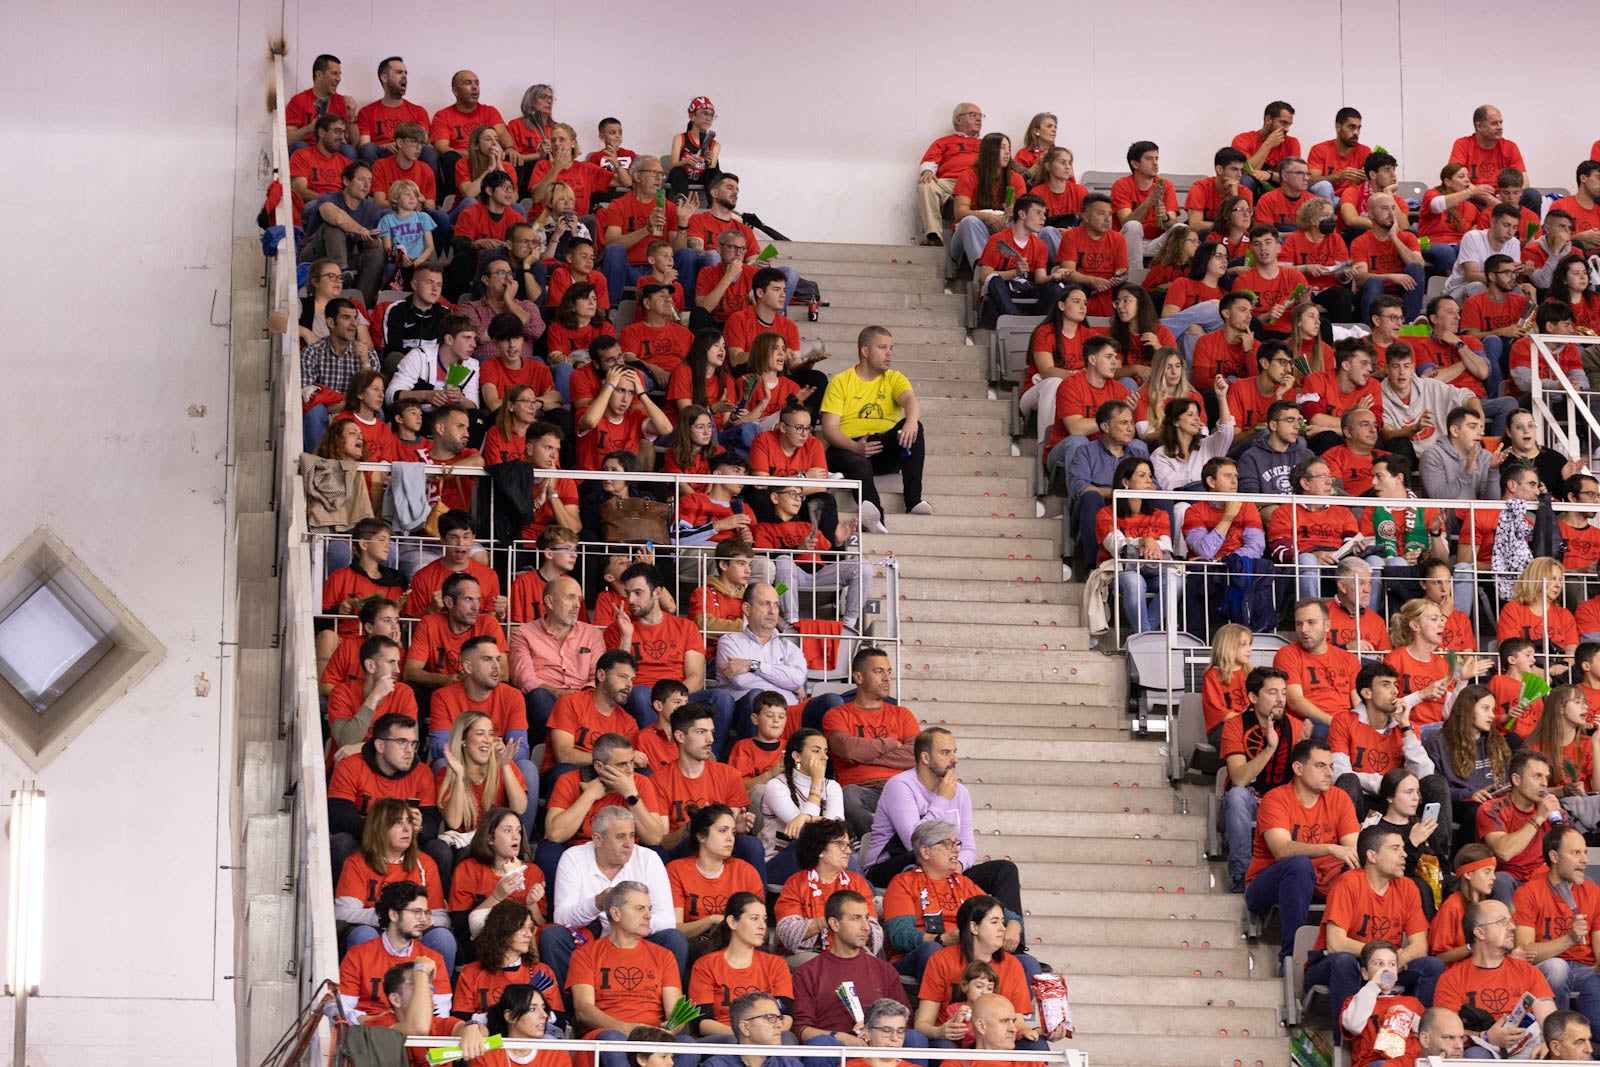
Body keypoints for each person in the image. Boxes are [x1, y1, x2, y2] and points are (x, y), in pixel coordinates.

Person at [1308, 824, 1443, 1041]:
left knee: (1432, 966)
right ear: (1372, 855)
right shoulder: (1349, 883)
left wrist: (1399, 958)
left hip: (1387, 969)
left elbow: (1420, 946)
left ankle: (1416, 1041)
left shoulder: (1408, 888)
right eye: (1395, 848)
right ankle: (1346, 1046)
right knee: (1344, 962)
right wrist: (1382, 957)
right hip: (1338, 966)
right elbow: (1336, 943)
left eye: (1403, 849)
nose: (1404, 854)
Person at [1246, 739, 1361, 966]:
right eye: (1320, 766)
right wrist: (1329, 848)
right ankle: (1291, 958)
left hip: (1324, 881)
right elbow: (1281, 849)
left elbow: (1352, 849)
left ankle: (1360, 955)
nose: (1329, 773)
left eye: (1331, 766)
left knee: (1359, 872)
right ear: (1298, 769)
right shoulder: (1275, 799)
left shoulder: (1339, 798)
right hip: (1268, 882)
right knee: (1299, 865)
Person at [880, 816, 1030, 984]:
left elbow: (1007, 915)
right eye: (947, 844)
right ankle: (938, 1009)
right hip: (918, 955)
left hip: (967, 953)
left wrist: (1014, 926)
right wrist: (940, 939)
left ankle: (1006, 1010)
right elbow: (900, 936)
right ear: (925, 852)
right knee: (932, 950)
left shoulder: (963, 883)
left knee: (1027, 963)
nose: (956, 850)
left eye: (956, 843)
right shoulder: (903, 883)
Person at [913, 896, 1059, 1050]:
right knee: (944, 1047)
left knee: (1037, 1047)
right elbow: (923, 1023)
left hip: (997, 1040)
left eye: (1002, 921)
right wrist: (940, 1032)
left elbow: (1018, 1022)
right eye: (994, 922)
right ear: (974, 927)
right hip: (955, 1041)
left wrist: (1037, 1032)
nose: (1003, 928)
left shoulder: (1012, 965)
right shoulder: (941, 960)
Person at [568, 882, 687, 1067]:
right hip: (608, 1033)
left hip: (653, 1037)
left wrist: (668, 1031)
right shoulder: (586, 954)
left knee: (688, 1045)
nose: (648, 915)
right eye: (640, 909)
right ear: (616, 913)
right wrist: (625, 1029)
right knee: (613, 1040)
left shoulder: (663, 956)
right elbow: (583, 1010)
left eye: (649, 909)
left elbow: (677, 1013)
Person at [819, 327, 925, 533]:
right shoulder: (841, 381)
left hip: (883, 447)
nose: (889, 353)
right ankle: (875, 515)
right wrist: (855, 447)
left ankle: (914, 501)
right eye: (882, 347)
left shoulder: (894, 378)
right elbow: (829, 429)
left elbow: (910, 400)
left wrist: (911, 421)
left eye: (891, 348)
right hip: (847, 448)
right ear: (865, 351)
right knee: (858, 463)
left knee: (915, 427)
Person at [335, 796, 454, 968]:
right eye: (398, 822)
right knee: (362, 934)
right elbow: (342, 912)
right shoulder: (357, 863)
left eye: (409, 821)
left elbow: (442, 917)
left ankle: (438, 994)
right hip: (377, 932)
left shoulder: (425, 863)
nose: (407, 828)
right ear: (379, 828)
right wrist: (391, 917)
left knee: (443, 938)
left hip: (414, 935)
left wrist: (428, 921)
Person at [792, 890, 919, 1046]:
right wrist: (840, 1037)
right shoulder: (808, 972)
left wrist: (877, 1032)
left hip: (880, 1047)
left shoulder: (884, 970)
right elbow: (802, 1029)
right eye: (856, 918)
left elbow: (906, 1019)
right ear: (835, 924)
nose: (866, 927)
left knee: (914, 1038)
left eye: (867, 918)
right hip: (834, 1049)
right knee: (820, 1043)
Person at [1433, 899, 1557, 1058]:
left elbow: (1550, 1021)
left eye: (1511, 921)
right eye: (1502, 922)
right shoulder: (1451, 979)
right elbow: (1445, 1033)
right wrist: (1486, 1036)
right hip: (1482, 1050)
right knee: (1475, 1055)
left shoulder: (1527, 971)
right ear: (1480, 933)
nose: (1512, 927)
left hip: (1528, 1047)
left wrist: (1547, 1042)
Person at [653, 705, 767, 877]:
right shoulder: (659, 781)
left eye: (711, 732)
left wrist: (737, 827)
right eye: (701, 732)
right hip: (686, 848)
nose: (710, 739)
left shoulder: (728, 775)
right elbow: (663, 842)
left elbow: (731, 830)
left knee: (751, 845)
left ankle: (758, 904)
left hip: (720, 848)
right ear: (680, 736)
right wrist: (694, 826)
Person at [1330, 663, 1446, 830]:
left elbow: (1425, 773)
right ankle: (1347, 846)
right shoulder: (1344, 721)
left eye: (1395, 685)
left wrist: (1406, 727)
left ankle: (1438, 854)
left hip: (1397, 803)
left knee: (1436, 783)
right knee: (1348, 780)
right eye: (1385, 684)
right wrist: (1386, 784)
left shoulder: (1407, 726)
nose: (1394, 691)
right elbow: (1339, 774)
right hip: (1362, 800)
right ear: (1367, 693)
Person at [822, 648, 919, 837]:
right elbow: (848, 750)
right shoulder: (837, 715)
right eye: (878, 671)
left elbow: (915, 756)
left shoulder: (902, 714)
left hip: (899, 787)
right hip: (860, 790)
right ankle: (884, 844)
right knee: (848, 795)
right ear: (858, 677)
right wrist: (891, 744)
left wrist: (863, 755)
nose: (886, 678)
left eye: (888, 671)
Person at [1511, 823, 1600, 1025]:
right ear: (1554, 857)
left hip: (1584, 969)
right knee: (1557, 967)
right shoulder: (1529, 893)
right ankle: (1559, 1032)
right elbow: (1525, 953)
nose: (1584, 860)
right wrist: (1570, 939)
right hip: (1547, 967)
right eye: (1576, 853)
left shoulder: (1593, 891)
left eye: (1585, 852)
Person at [338, 881, 451, 1023]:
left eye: (426, 912)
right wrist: (385, 1023)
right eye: (416, 912)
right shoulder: (358, 955)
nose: (423, 919)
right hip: (369, 1035)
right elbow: (343, 1010)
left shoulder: (433, 959)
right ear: (394, 915)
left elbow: (440, 1015)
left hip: (416, 1036)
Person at [598, 157, 699, 307]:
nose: (659, 178)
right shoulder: (619, 205)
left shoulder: (669, 207)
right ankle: (611, 310)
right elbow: (611, 243)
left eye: (661, 174)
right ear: (637, 176)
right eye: (653, 173)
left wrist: (683, 224)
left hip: (661, 272)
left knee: (687, 254)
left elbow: (677, 250)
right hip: (629, 270)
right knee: (614, 251)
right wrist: (646, 230)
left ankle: (686, 312)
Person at [775, 819, 882, 960]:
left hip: (851, 950)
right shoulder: (796, 883)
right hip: (809, 954)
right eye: (840, 844)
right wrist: (830, 919)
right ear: (819, 849)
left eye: (848, 845)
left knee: (872, 965)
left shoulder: (857, 883)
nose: (848, 851)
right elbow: (787, 931)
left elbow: (873, 929)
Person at [665, 803, 764, 954]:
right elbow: (676, 929)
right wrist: (711, 920)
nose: (730, 838)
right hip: (699, 944)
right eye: (722, 831)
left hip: (738, 941)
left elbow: (760, 926)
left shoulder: (746, 871)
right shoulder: (676, 870)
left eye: (733, 832)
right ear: (701, 836)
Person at [688, 901, 795, 1039]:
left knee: (787, 1038)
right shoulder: (705, 965)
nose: (762, 926)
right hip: (725, 1037)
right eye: (754, 918)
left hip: (768, 1035)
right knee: (731, 1041)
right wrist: (747, 1036)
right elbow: (702, 1023)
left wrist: (762, 1035)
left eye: (764, 919)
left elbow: (786, 1016)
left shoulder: (776, 964)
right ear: (732, 922)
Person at [1094, 456, 1174, 635]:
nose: (1149, 480)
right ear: (1125, 481)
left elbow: (1167, 547)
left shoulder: (1160, 514)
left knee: (1174, 581)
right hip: (1119, 571)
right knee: (1134, 580)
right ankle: (1146, 636)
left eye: (1150, 475)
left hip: (1154, 570)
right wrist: (1144, 541)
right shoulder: (1106, 514)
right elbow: (1117, 547)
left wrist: (1150, 542)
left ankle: (1141, 636)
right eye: (1142, 475)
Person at [715, 582, 811, 725]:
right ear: (747, 609)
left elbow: (798, 679)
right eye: (765, 604)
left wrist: (753, 665)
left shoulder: (789, 646)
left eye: (776, 605)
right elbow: (741, 681)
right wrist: (787, 684)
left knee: (830, 701)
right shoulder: (730, 642)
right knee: (756, 696)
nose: (772, 611)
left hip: (789, 713)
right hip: (747, 714)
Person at [452, 900, 560, 1024]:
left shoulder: (542, 972)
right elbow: (460, 1020)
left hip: (534, 1041)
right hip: (489, 1040)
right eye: (521, 927)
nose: (529, 934)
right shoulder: (471, 973)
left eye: (530, 927)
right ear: (501, 932)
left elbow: (558, 1020)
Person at [974, 194, 1065, 320]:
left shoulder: (1040, 245)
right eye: (1038, 213)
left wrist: (1053, 276)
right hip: (1004, 289)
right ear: (1022, 214)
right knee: (993, 278)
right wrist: (1015, 272)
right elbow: (985, 276)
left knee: (1057, 287)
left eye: (1044, 214)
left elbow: (1040, 279)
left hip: (1027, 288)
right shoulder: (998, 240)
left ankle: (1039, 323)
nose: (1043, 218)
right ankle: (1014, 319)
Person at [947, 132, 1025, 273]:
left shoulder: (1016, 179)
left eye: (1009, 149)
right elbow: (959, 212)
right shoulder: (969, 175)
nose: (1007, 153)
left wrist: (1014, 212)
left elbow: (1024, 214)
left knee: (1023, 224)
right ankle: (982, 271)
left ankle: (1019, 270)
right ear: (990, 151)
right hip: (965, 237)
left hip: (1000, 235)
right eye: (1002, 148)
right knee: (969, 221)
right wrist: (987, 217)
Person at [429, 71, 512, 199]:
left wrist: (510, 148)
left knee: (513, 156)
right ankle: (453, 198)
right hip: (463, 160)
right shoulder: (443, 115)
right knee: (449, 157)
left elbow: (503, 135)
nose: (474, 87)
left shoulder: (490, 111)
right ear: (455, 91)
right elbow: (442, 147)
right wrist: (473, 155)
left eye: (477, 83)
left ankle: (507, 197)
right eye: (468, 83)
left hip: (489, 157)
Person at [914, 104, 984, 246]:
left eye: (980, 116)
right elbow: (929, 162)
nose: (979, 119)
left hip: (978, 182)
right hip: (950, 182)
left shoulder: (987, 144)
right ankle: (933, 235)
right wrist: (927, 171)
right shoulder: (944, 142)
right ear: (958, 120)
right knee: (926, 184)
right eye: (973, 115)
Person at [1351, 193, 1425, 325]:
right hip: (1372, 293)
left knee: (1415, 268)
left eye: (1393, 208)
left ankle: (1409, 324)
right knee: (1373, 282)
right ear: (1371, 214)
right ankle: (1372, 331)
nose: (1391, 213)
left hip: (1400, 292)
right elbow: (1360, 278)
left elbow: (1419, 264)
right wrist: (1391, 277)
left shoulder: (1408, 237)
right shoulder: (1360, 242)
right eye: (1385, 209)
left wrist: (1394, 238)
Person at [1053, 193, 1129, 319]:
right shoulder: (1071, 236)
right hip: (1082, 284)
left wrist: (1120, 278)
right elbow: (1067, 272)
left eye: (1110, 215)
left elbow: (1122, 271)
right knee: (1073, 289)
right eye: (1101, 213)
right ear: (1086, 216)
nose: (1107, 219)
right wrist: (1092, 280)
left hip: (1108, 285)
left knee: (1131, 290)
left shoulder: (1118, 239)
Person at [1448, 105, 1535, 208]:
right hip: (1475, 199)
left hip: (1504, 200)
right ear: (1479, 126)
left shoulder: (1510, 146)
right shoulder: (1462, 144)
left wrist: (1501, 199)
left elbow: (1525, 183)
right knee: (1458, 196)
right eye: (1494, 123)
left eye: (1501, 122)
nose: (1500, 127)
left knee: (1532, 196)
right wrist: (1483, 196)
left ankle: (1530, 224)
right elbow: (1456, 180)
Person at [1110, 140, 1180, 265]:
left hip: (1156, 241)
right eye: (1149, 159)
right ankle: (1133, 276)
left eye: (1156, 158)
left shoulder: (1165, 185)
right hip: (1128, 242)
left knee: (1180, 229)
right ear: (1135, 164)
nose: (1155, 164)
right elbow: (1125, 222)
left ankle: (1173, 278)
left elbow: (1172, 223)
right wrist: (1148, 203)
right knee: (1133, 226)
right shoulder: (1121, 185)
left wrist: (1165, 217)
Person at [1419, 163, 1494, 278]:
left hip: (1458, 244)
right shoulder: (1433, 194)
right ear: (1448, 182)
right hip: (1430, 242)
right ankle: (1448, 285)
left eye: (1468, 177)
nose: (1467, 180)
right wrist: (1471, 192)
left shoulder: (1470, 207)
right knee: (1445, 251)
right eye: (1461, 176)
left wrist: (1490, 200)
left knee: (1470, 249)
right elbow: (1436, 205)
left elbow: (1482, 226)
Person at [1445, 203, 1526, 302]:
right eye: (1506, 225)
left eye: (1514, 227)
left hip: (1497, 289)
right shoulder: (1472, 237)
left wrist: (1525, 272)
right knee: (1478, 287)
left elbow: (1511, 277)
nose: (1511, 232)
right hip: (1460, 289)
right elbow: (1471, 276)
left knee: (1519, 291)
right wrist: (1502, 277)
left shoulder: (1514, 243)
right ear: (1492, 222)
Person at [1135, 345, 1205, 441]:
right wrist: (1179, 430)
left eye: (1177, 366)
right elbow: (1145, 435)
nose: (1174, 372)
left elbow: (1204, 432)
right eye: (1168, 367)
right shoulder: (1143, 395)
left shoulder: (1194, 397)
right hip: (1157, 445)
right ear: (1159, 370)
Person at [1190, 291, 1256, 392]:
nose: (1249, 316)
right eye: (1243, 310)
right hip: (1213, 396)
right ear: (1226, 313)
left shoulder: (1255, 346)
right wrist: (1231, 384)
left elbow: (1258, 385)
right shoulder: (1206, 342)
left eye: (1250, 311)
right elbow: (1200, 381)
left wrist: (1248, 352)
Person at [286, 54, 355, 149]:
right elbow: (287, 139)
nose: (339, 79)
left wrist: (351, 117)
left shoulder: (341, 101)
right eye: (334, 73)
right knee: (300, 146)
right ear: (319, 75)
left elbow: (353, 143)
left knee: (348, 150)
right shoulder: (299, 100)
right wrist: (309, 129)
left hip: (333, 152)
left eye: (339, 74)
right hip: (307, 152)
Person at [1232, 100, 1302, 193]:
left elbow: (1294, 177)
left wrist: (1270, 175)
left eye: (1289, 124)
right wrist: (1268, 144)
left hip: (1278, 187)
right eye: (1283, 123)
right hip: (1253, 185)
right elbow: (1243, 172)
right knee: (1245, 180)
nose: (1287, 129)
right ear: (1268, 120)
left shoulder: (1292, 142)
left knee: (1306, 186)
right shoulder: (1243, 139)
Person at [1184, 147, 1252, 236]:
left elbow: (1243, 225)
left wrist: (1235, 196)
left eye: (1241, 170)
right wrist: (1227, 227)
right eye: (1234, 169)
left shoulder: (1244, 192)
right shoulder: (1200, 188)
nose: (1239, 175)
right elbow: (1195, 224)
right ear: (1219, 169)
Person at [665, 96, 721, 203]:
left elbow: (712, 169)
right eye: (704, 113)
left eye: (711, 115)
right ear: (692, 116)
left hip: (702, 179)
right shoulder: (679, 138)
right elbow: (672, 166)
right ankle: (681, 200)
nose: (708, 118)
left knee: (714, 172)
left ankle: (714, 204)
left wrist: (708, 161)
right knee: (677, 170)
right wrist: (685, 162)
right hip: (682, 178)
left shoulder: (715, 145)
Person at [1307, 107, 1370, 199]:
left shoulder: (1365, 151)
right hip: (1328, 199)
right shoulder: (1319, 149)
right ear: (1338, 127)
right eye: (1351, 127)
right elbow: (1311, 181)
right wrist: (1339, 176)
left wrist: (1369, 177)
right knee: (1324, 186)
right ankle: (1328, 213)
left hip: (1351, 199)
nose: (1356, 132)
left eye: (1358, 128)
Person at [291, 114, 353, 205]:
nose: (342, 137)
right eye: (337, 131)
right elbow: (299, 190)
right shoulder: (301, 155)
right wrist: (327, 200)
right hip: (314, 204)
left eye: (343, 132)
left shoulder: (346, 163)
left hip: (340, 206)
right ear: (322, 132)